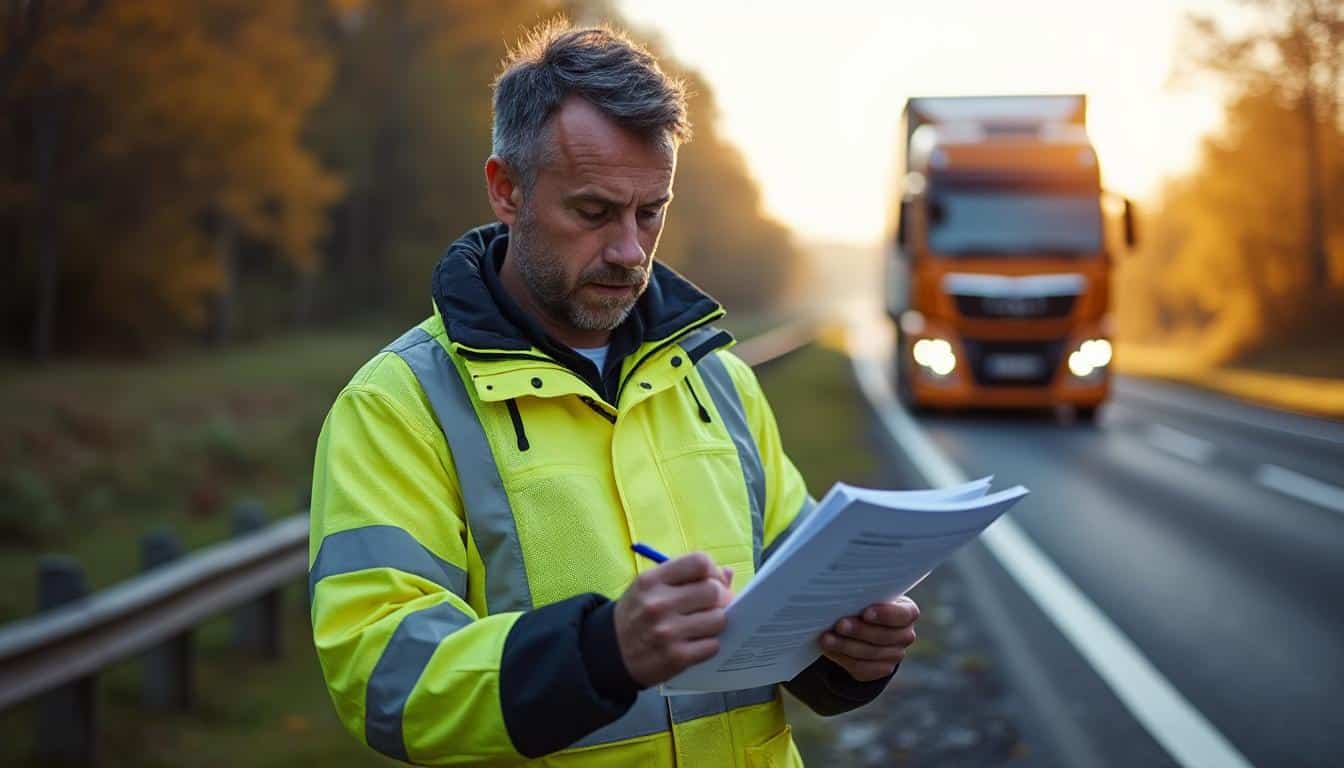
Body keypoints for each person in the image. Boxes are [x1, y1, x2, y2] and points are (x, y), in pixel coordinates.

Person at [308, 21, 919, 767]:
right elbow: (385, 679)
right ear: (507, 190)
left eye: (650, 212)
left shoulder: (720, 381)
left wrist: (854, 654)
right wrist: (600, 654)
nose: (629, 250)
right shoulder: (397, 407)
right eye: (594, 212)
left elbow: (797, 610)